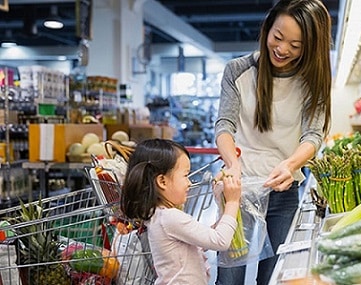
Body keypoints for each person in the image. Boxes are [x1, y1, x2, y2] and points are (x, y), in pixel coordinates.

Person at [214, 0, 332, 284]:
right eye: (277, 37)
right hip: (237, 190)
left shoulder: (311, 80)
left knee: (275, 277)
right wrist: (233, 163)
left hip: (283, 190)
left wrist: (290, 165)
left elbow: (313, 135)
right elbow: (224, 124)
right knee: (230, 278)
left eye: (296, 44)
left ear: (311, 46)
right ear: (267, 28)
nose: (282, 49)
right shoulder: (238, 70)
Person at [120, 138, 242, 285]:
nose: (189, 182)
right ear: (162, 181)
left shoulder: (160, 214)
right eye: (185, 175)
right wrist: (233, 202)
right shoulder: (170, 217)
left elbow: (202, 239)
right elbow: (220, 241)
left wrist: (224, 209)